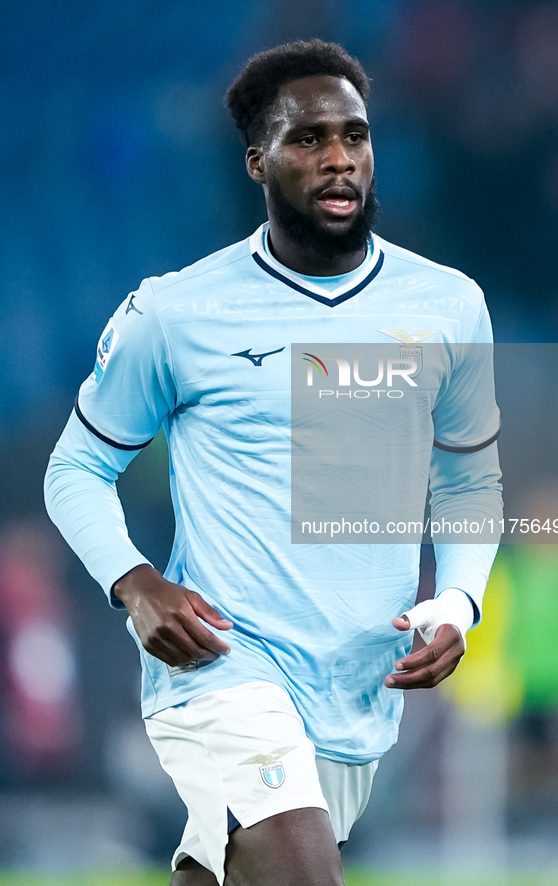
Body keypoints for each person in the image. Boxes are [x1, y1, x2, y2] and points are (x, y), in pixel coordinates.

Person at [44, 40, 502, 886]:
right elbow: (75, 467)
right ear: (258, 161)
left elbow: (470, 479)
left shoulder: (447, 305)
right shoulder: (178, 312)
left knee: (230, 874)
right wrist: (135, 582)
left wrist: (460, 601)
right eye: (306, 139)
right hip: (220, 664)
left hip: (359, 683)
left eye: (354, 137)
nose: (337, 159)